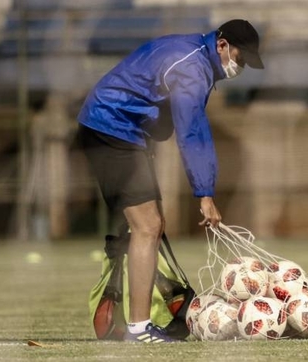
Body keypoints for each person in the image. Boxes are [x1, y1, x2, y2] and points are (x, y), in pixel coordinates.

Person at [76, 19, 264, 343]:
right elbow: (192, 132)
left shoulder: (191, 52)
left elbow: (150, 97)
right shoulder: (193, 67)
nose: (241, 65)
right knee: (148, 226)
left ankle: (139, 320)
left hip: (121, 132)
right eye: (240, 57)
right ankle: (138, 329)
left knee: (151, 225)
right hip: (110, 129)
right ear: (221, 45)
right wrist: (205, 194)